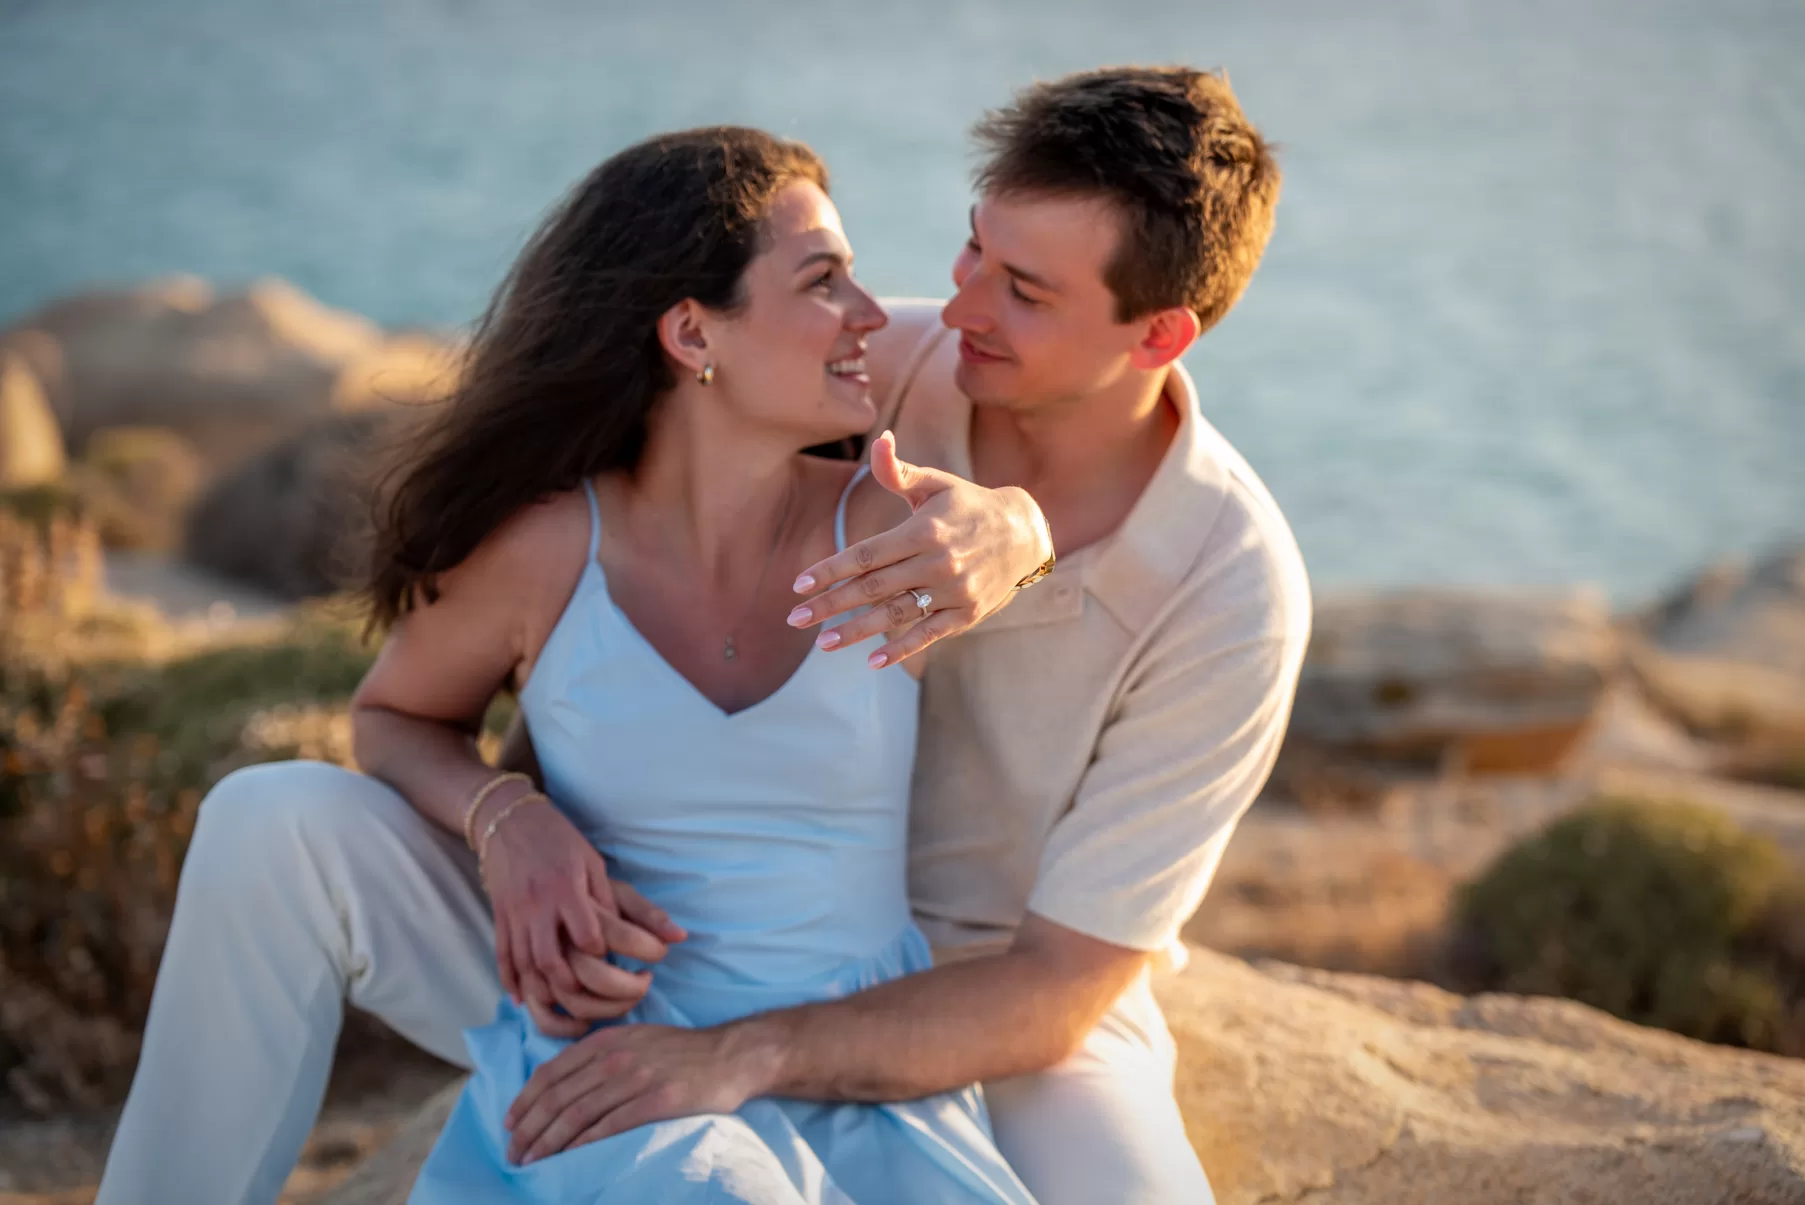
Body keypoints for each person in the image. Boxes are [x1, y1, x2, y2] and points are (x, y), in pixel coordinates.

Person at [96, 127, 1048, 1205]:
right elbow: (395, 717)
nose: (872, 314)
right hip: (597, 1015)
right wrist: (508, 817)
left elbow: (1030, 507)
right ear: (692, 331)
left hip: (833, 1046)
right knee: (266, 815)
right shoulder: (545, 547)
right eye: (825, 281)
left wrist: (1019, 527)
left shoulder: (885, 525)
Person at [495, 66, 1310, 1204]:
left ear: (1159, 332)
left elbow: (1059, 984)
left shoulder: (1230, 585)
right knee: (285, 825)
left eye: (1024, 289)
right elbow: (591, 547)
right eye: (973, 248)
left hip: (992, 997)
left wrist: (749, 1055)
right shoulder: (864, 366)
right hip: (688, 918)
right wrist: (511, 809)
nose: (962, 304)